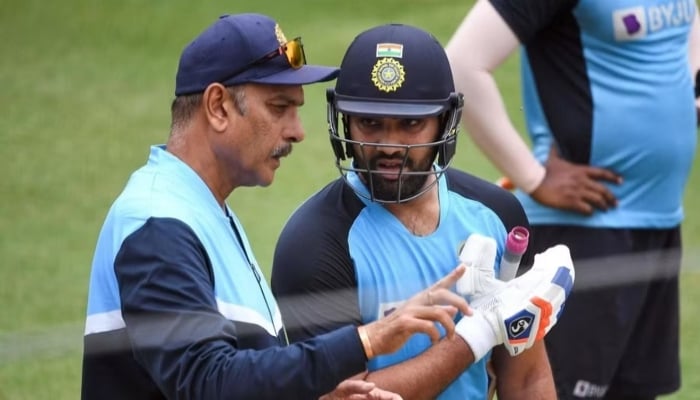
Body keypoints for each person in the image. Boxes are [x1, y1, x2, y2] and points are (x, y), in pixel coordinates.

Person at [80, 13, 479, 400]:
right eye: (279, 108)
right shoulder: (158, 223)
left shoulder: (203, 212)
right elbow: (205, 382)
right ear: (218, 106)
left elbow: (240, 377)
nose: (297, 131)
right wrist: (368, 340)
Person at [271, 23, 575, 400]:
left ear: (444, 122)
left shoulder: (497, 215)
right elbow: (345, 397)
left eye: (411, 124)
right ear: (344, 121)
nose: (389, 145)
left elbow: (527, 378)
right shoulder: (314, 247)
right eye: (370, 122)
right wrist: (476, 333)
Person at [445, 1, 700, 399]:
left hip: (660, 220)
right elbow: (462, 63)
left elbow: (683, 28)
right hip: (584, 229)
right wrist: (535, 177)